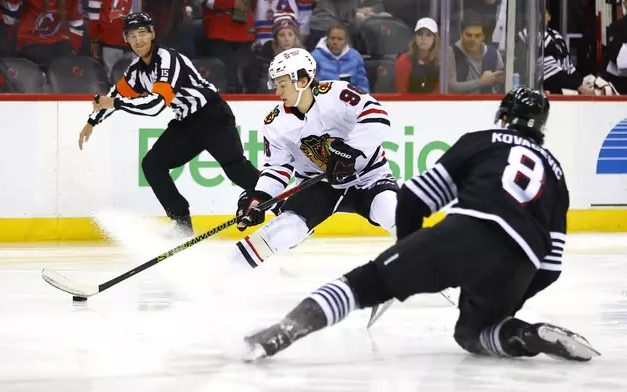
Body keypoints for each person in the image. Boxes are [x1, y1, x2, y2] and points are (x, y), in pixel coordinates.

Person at [242, 86, 601, 363]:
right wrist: (503, 296)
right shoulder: (555, 172)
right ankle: (527, 333)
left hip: (467, 233)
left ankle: (283, 331)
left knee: (367, 282)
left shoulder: (482, 141)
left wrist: (408, 252)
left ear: (504, 116)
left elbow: (415, 198)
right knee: (474, 334)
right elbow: (551, 267)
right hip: (521, 261)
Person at [78, 12, 259, 237]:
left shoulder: (167, 60)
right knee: (153, 165)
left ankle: (286, 206)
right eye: (132, 36)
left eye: (142, 33)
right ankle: (182, 225)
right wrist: (92, 121)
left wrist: (114, 103)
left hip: (212, 116)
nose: (138, 40)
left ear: (152, 34)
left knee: (236, 168)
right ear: (126, 40)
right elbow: (115, 94)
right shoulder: (136, 70)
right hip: (186, 121)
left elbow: (154, 106)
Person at [231, 48, 398, 272]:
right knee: (282, 230)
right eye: (276, 85)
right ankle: (223, 276)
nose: (277, 91)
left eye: (282, 84)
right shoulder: (275, 123)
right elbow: (277, 168)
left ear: (302, 81)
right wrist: (260, 197)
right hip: (320, 184)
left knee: (394, 212)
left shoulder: (337, 94)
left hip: (367, 176)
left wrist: (350, 151)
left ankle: (440, 269)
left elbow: (377, 116)